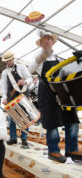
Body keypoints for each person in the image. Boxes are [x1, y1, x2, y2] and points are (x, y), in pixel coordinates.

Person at [29, 31, 82, 162]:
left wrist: (78, 61)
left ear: (53, 41)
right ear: (41, 43)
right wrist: (41, 57)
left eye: (50, 39)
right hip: (47, 92)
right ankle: (53, 151)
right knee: (52, 123)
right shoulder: (38, 55)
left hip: (61, 92)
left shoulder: (58, 57)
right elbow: (30, 70)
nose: (48, 41)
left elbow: (66, 72)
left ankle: (71, 150)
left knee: (73, 121)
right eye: (45, 39)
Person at [1, 51, 32, 146]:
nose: (8, 62)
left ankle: (24, 138)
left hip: (22, 94)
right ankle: (13, 138)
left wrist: (25, 82)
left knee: (25, 117)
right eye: (7, 61)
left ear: (13, 59)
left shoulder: (22, 67)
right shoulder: (4, 72)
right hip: (11, 96)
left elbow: (29, 78)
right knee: (11, 118)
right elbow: (4, 86)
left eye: (10, 60)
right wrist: (4, 98)